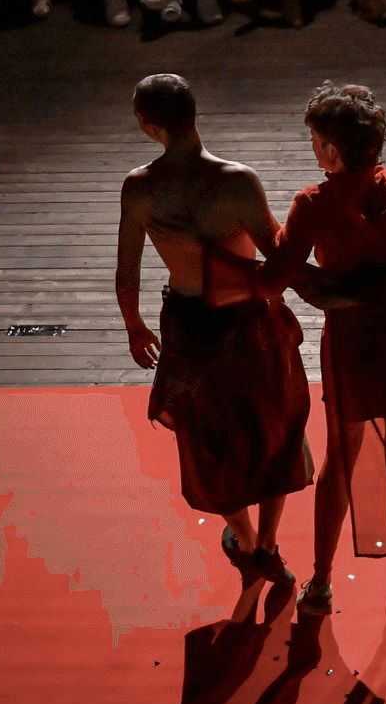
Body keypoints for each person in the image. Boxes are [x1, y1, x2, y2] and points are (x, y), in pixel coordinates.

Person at [242, 84, 386, 618]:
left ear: (334, 152)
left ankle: (321, 584)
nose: (313, 151)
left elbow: (276, 277)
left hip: (350, 352)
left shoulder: (313, 206)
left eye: (317, 141)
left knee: (338, 465)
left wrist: (302, 275)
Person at [118, 72, 311, 598]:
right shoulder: (238, 181)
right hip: (251, 320)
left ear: (146, 124)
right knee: (275, 427)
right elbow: (277, 253)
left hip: (191, 325)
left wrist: (134, 326)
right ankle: (270, 543)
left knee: (208, 439)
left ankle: (245, 543)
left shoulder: (140, 188)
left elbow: (128, 272)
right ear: (194, 114)